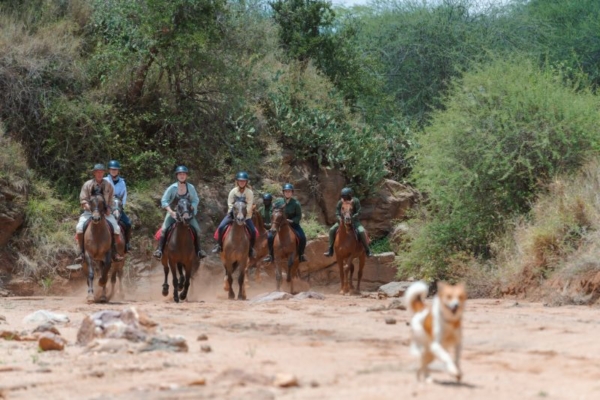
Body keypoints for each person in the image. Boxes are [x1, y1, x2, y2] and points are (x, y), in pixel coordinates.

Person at [153, 165, 207, 260]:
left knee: (197, 230)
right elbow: (164, 200)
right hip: (173, 213)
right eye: (180, 174)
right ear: (177, 176)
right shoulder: (172, 188)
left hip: (187, 213)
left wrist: (192, 206)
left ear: (186, 176)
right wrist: (170, 212)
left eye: (184, 174)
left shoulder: (191, 187)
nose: (182, 176)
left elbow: (195, 199)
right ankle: (160, 250)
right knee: (164, 229)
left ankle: (199, 251)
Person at [74, 164, 124, 263]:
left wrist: (109, 208)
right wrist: (89, 208)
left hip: (104, 213)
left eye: (101, 172)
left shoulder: (108, 185)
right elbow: (83, 199)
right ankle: (81, 252)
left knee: (116, 228)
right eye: (98, 172)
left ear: (104, 173)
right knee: (79, 227)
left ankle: (114, 252)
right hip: (90, 212)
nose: (100, 174)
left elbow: (111, 198)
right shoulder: (87, 184)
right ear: (94, 173)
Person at [212, 171, 257, 257]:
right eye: (240, 181)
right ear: (237, 181)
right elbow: (230, 204)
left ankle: (250, 249)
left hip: (246, 216)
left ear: (246, 182)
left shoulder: (249, 193)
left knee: (253, 231)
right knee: (221, 227)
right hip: (233, 215)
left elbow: (249, 206)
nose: (242, 182)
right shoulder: (233, 191)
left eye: (243, 181)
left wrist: (243, 216)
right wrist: (235, 215)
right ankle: (219, 245)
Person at [263, 183, 308, 263]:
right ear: (283, 192)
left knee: (302, 237)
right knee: (270, 237)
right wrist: (274, 220)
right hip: (280, 224)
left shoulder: (296, 204)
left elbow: (298, 216)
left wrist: (292, 220)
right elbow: (272, 211)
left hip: (293, 224)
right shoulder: (278, 202)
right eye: (286, 191)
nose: (287, 193)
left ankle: (301, 254)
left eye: (289, 191)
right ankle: (270, 255)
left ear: (292, 192)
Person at [324, 187, 373, 257]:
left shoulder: (355, 201)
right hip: (342, 221)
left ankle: (367, 250)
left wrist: (352, 218)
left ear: (350, 195)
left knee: (361, 231)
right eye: (343, 196)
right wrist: (339, 218)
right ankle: (330, 249)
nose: (344, 198)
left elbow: (359, 211)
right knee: (331, 230)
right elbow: (337, 212)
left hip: (354, 221)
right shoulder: (340, 202)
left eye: (346, 196)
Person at [104, 160, 132, 252]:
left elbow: (124, 195)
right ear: (109, 170)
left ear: (118, 171)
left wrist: (120, 208)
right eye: (112, 169)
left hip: (118, 206)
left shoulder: (122, 182)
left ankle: (127, 244)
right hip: (107, 206)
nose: (114, 171)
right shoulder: (105, 181)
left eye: (115, 170)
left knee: (128, 223)